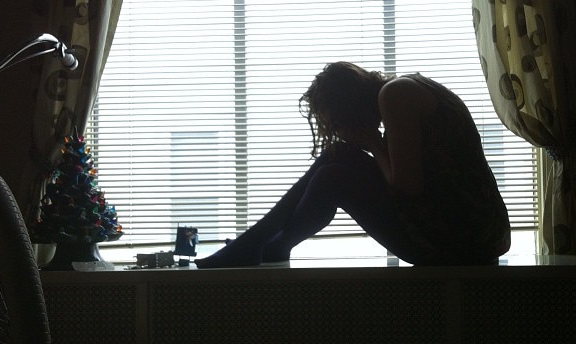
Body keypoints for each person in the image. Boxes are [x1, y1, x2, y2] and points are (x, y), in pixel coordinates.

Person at [195, 61, 511, 269]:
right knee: (338, 158)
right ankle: (263, 245)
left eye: (340, 124)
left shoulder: (396, 95)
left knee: (334, 174)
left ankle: (261, 246)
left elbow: (407, 186)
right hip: (472, 231)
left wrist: (373, 142)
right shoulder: (408, 88)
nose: (343, 133)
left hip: (463, 241)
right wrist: (370, 143)